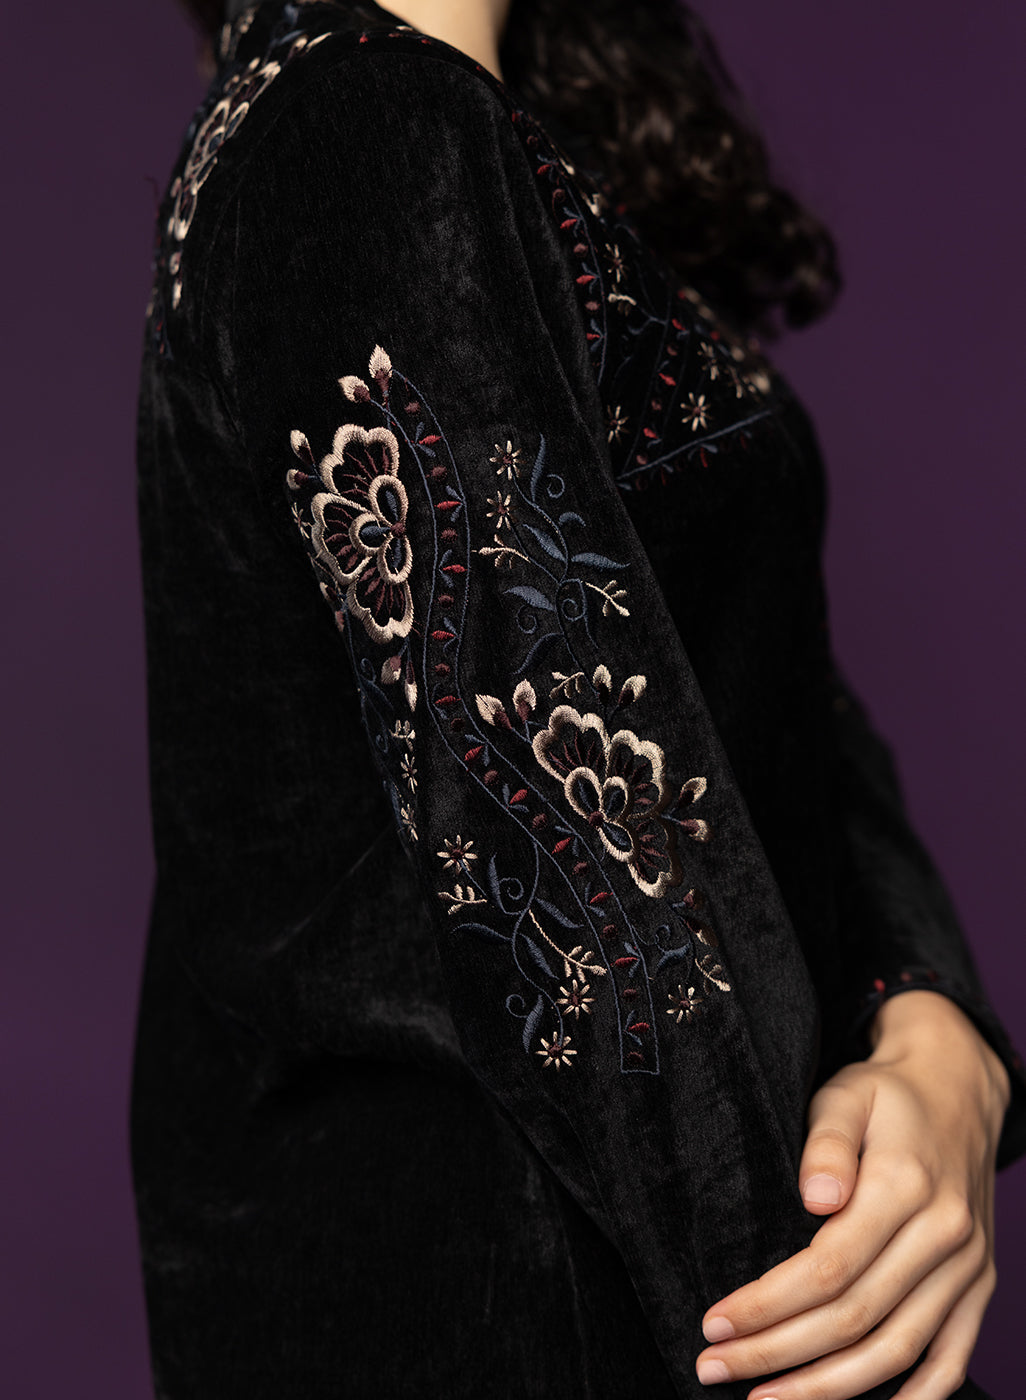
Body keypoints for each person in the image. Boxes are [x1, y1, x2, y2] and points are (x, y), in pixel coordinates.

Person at [130, 1, 1026, 1396]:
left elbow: (770, 691)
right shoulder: (365, 127)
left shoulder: (461, 128)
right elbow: (593, 886)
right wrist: (842, 1339)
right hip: (539, 1308)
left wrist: (934, 1028)